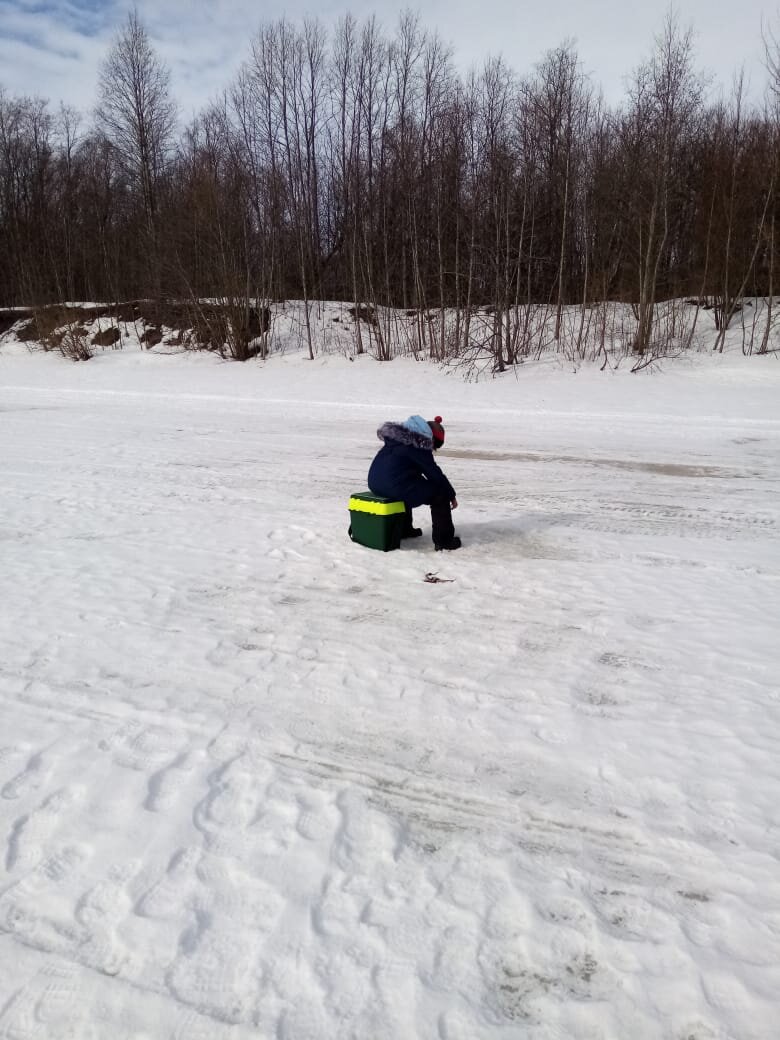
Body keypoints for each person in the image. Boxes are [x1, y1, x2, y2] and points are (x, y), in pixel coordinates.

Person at [367, 414, 461, 551]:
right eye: (435, 445)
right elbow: (434, 474)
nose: (433, 449)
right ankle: (444, 541)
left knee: (411, 484)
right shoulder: (418, 446)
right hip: (393, 486)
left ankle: (405, 529)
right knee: (440, 493)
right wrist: (450, 494)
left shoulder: (398, 439)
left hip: (375, 483)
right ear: (431, 438)